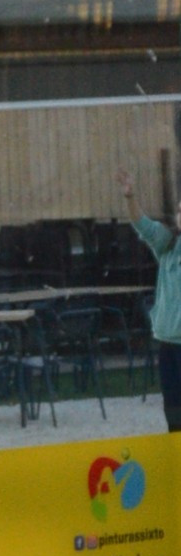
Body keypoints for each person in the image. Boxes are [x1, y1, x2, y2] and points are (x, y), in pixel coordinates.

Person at [116, 166, 181, 431]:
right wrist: (130, 197)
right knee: (173, 411)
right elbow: (142, 224)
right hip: (168, 341)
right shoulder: (169, 244)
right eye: (180, 210)